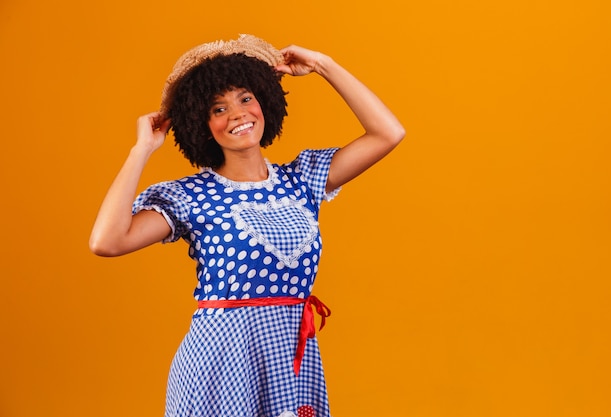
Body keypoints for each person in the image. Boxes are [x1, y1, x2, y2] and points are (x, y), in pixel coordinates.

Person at [89, 34, 405, 417]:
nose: (237, 114)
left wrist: (323, 65)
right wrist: (141, 150)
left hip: (289, 358)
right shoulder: (192, 196)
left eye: (244, 98)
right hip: (220, 365)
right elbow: (107, 241)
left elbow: (388, 133)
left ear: (263, 101)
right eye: (218, 109)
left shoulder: (301, 179)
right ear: (202, 126)